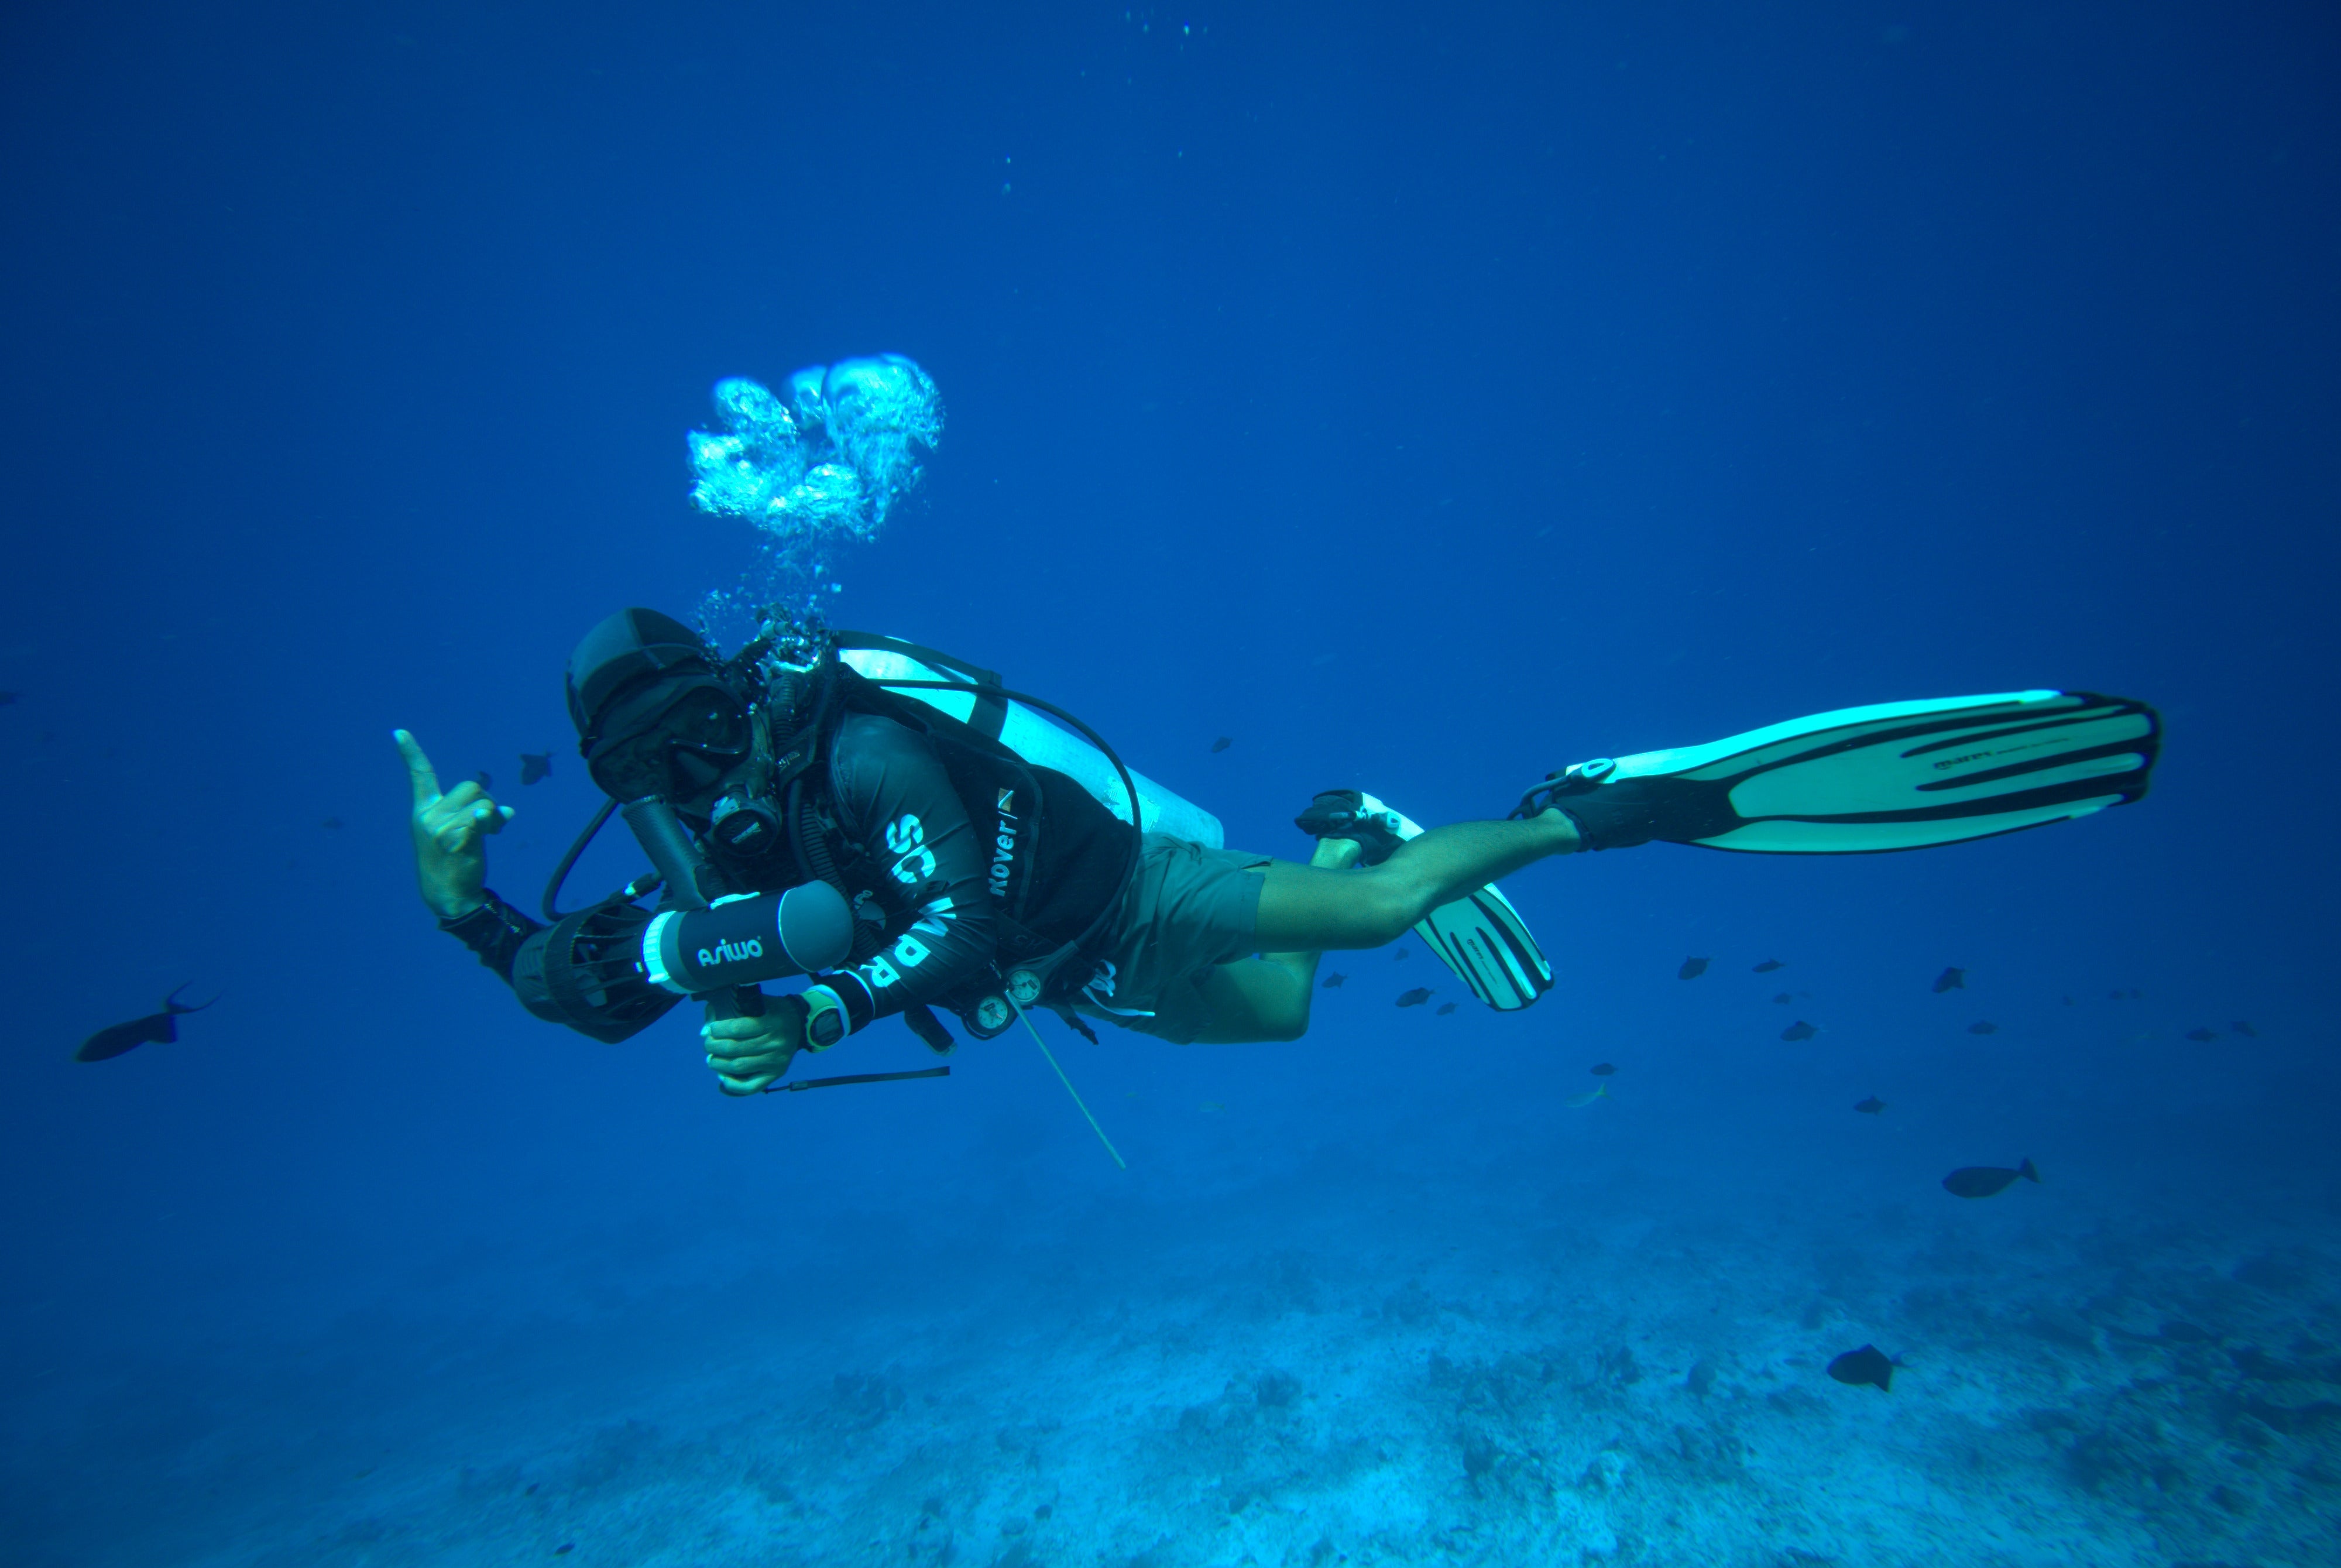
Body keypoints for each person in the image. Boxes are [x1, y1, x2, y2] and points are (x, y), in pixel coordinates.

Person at [400, 608, 2161, 1094]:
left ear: (738, 700)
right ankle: (1370, 828)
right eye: (649, 774)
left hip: (1114, 890)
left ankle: (1591, 805)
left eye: (699, 740)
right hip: (1068, 970)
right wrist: (469, 910)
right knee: (1292, 1024)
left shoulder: (863, 746)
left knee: (1385, 916)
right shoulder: (719, 847)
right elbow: (602, 985)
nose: (696, 787)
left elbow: (940, 930)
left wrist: (816, 1020)